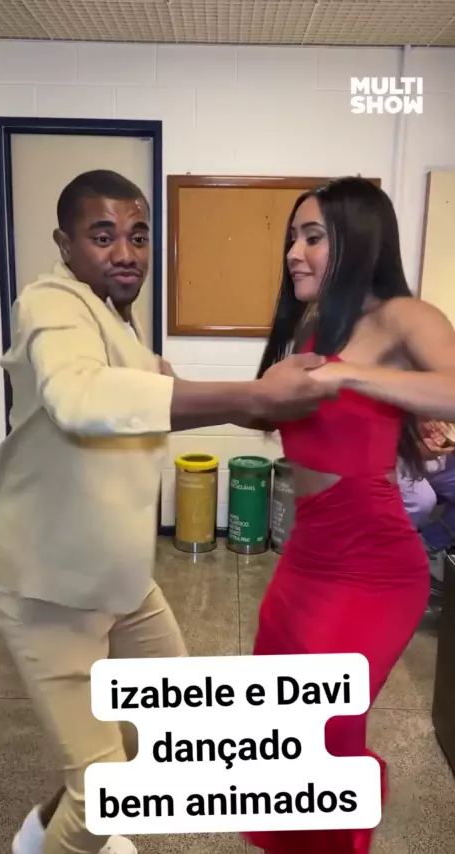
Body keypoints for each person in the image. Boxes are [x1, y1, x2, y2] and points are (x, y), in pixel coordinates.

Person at [0, 170, 335, 854]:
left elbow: (155, 394)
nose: (126, 253)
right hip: (45, 588)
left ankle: (37, 836)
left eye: (138, 237)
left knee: (168, 728)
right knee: (103, 795)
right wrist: (250, 395)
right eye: (102, 236)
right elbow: (81, 396)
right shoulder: (50, 303)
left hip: (119, 580)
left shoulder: (115, 320)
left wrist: (260, 404)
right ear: (65, 245)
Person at [242, 176, 455, 854]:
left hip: (374, 566)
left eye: (312, 237)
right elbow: (270, 413)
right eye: (292, 239)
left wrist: (348, 375)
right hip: (307, 558)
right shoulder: (312, 326)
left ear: (358, 239)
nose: (293, 253)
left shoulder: (402, 316)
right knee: (280, 723)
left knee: (327, 725)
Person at [397, 419, 455, 565]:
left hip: (439, 448)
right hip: (395, 448)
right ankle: (383, 546)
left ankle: (428, 544)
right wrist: (411, 442)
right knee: (421, 501)